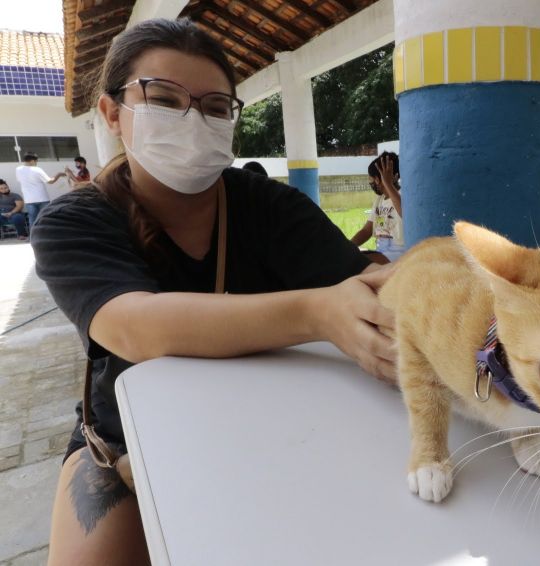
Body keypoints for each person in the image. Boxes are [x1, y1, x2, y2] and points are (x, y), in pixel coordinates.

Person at [31, 19, 395, 565]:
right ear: (112, 113)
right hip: (127, 446)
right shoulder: (75, 222)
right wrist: (317, 312)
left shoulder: (268, 207)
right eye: (164, 98)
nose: (193, 118)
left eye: (215, 106)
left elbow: (365, 285)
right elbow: (134, 326)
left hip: (278, 425)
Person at [350, 151, 404, 262]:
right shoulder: (379, 200)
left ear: (378, 179)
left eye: (372, 179)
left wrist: (388, 184)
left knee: (356, 264)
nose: (372, 183)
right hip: (382, 251)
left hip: (399, 254)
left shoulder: (404, 195)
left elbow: (405, 213)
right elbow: (367, 230)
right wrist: (348, 247)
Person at [15, 152, 66, 230]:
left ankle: (32, 237)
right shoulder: (37, 169)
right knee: (47, 218)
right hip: (42, 198)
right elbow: (50, 181)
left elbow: (20, 180)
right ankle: (48, 235)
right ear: (32, 161)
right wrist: (59, 174)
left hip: (29, 200)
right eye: (36, 161)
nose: (36, 163)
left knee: (32, 220)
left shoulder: (18, 169)